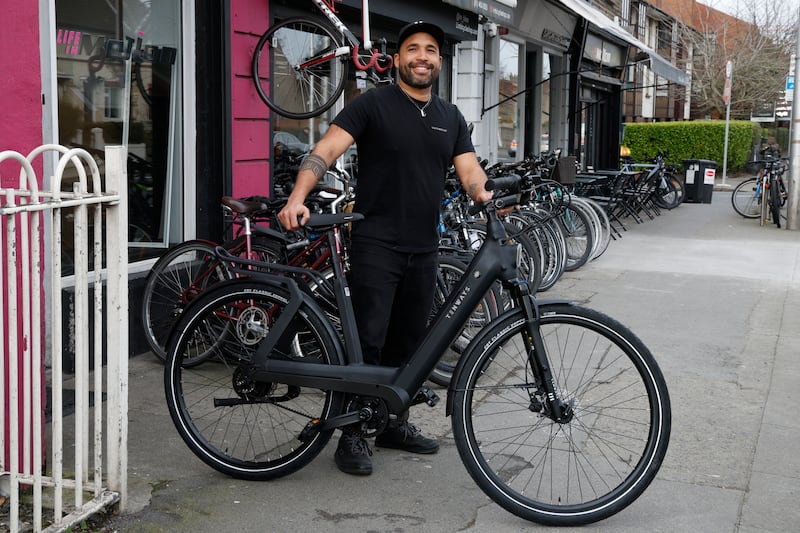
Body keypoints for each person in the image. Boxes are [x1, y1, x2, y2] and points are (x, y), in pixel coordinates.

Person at [277, 20, 493, 476]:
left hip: (425, 247)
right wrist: (297, 197)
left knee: (409, 344)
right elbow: (326, 150)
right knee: (368, 343)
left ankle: (394, 423)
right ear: (397, 59)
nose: (421, 56)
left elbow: (470, 170)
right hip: (376, 243)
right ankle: (352, 433)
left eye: (430, 49)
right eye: (412, 49)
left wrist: (483, 193)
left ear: (439, 61)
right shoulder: (373, 104)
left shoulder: (450, 116)